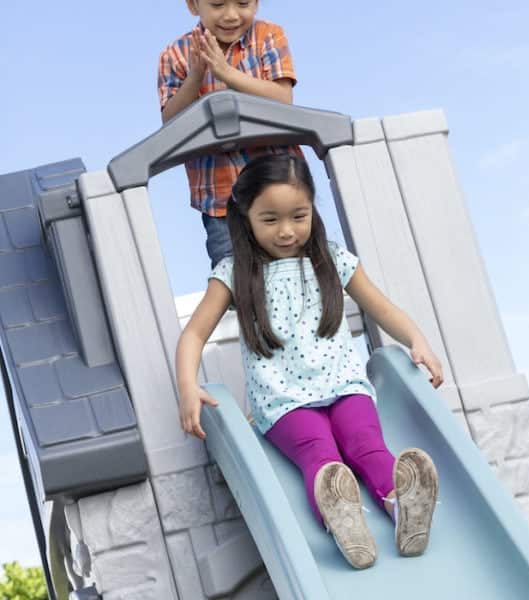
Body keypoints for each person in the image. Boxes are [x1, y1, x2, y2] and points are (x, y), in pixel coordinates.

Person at [175, 154, 442, 569]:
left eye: (298, 216)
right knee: (321, 455)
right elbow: (193, 334)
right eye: (270, 220)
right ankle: (343, 522)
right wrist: (188, 387)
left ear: (313, 211)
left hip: (344, 385)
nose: (286, 231)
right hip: (284, 402)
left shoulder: (332, 260)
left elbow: (381, 307)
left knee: (366, 443)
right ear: (246, 218)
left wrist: (416, 339)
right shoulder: (232, 273)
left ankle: (402, 506)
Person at [158, 0, 303, 267]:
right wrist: (196, 76)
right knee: (235, 278)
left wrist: (225, 73)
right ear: (193, 5)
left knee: (298, 268)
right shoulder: (175, 54)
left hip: (281, 190)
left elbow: (282, 100)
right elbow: (171, 122)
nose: (231, 15)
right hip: (221, 201)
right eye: (217, 4)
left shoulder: (268, 36)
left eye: (243, 3)